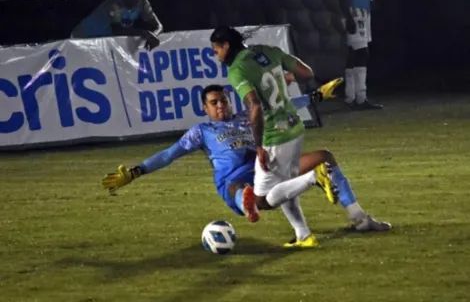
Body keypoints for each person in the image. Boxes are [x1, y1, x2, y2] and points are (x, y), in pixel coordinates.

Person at [102, 85, 391, 248]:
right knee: (246, 191)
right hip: (233, 179)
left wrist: (315, 96)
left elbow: (282, 106)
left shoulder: (244, 116)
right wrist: (137, 171)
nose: (221, 107)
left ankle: (358, 218)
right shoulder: (201, 131)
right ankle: (261, 209)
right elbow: (169, 154)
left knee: (324, 156)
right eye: (214, 103)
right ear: (205, 108)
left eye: (223, 101)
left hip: (264, 165)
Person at [210, 26, 336, 247]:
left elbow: (255, 106)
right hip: (294, 126)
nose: (216, 56)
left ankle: (315, 176)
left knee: (262, 201)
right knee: (284, 185)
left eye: (216, 50)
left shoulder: (237, 70)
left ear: (226, 46)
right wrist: (284, 76)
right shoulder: (269, 50)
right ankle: (303, 235)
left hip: (275, 136)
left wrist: (259, 146)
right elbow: (306, 72)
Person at [331, 0, 382, 109]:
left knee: (357, 49)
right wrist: (347, 13)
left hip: (364, 8)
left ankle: (353, 96)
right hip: (353, 9)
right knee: (359, 50)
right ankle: (358, 96)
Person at [71, 0, 162, 50]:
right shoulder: (114, 3)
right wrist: (144, 33)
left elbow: (158, 26)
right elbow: (117, 30)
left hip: (103, 43)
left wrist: (154, 35)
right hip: (82, 38)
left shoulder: (142, 2)